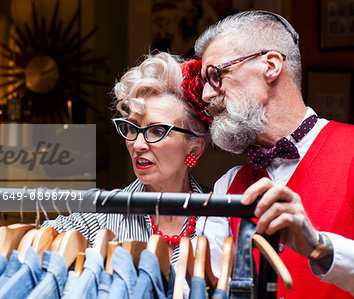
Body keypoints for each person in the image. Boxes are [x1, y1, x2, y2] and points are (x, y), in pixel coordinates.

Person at [194, 10, 354, 298]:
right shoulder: (227, 187)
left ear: (270, 66)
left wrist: (319, 246)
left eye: (216, 75)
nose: (207, 94)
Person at [45, 52, 229, 275]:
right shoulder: (101, 215)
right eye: (132, 128)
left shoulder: (221, 218)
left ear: (195, 147)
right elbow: (36, 244)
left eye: (158, 131)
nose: (138, 144)